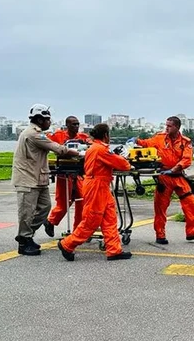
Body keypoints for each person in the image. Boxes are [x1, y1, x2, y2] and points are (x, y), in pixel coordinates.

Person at [58, 123, 133, 261]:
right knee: (91, 220)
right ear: (106, 135)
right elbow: (123, 164)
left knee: (109, 217)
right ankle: (67, 244)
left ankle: (114, 250)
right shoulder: (101, 150)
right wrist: (125, 160)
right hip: (97, 186)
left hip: (100, 185)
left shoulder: (95, 148)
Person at [11, 104, 79, 256]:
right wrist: (80, 154)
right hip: (27, 179)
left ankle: (26, 234)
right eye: (47, 119)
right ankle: (24, 240)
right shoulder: (34, 134)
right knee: (26, 212)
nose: (49, 122)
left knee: (44, 207)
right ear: (40, 119)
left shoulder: (38, 133)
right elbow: (58, 148)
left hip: (38, 178)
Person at [136, 116, 194, 244]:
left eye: (169, 126)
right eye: (166, 125)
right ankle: (160, 235)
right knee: (160, 207)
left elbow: (187, 159)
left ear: (177, 127)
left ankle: (192, 233)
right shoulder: (159, 138)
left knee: (190, 202)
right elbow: (147, 143)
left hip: (178, 176)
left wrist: (175, 169)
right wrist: (136, 141)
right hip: (164, 177)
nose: (166, 128)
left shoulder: (185, 142)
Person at [43, 116, 91, 237]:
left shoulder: (83, 137)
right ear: (67, 125)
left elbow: (92, 144)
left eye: (77, 124)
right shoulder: (58, 135)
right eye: (73, 124)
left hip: (79, 172)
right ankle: (51, 221)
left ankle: (78, 231)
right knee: (63, 202)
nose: (76, 126)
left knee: (82, 201)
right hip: (64, 172)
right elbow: (44, 141)